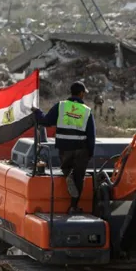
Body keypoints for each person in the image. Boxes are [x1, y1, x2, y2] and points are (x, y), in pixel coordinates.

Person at [34, 81, 96, 214]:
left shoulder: (60, 106)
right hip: (81, 149)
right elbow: (91, 134)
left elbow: (46, 121)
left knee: (66, 168)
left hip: (64, 148)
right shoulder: (86, 111)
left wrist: (37, 112)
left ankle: (68, 174)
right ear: (81, 94)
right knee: (79, 177)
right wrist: (90, 151)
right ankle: (74, 206)